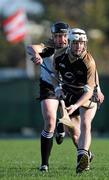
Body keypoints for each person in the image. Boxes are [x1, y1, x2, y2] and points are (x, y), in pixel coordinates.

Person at [53, 28, 104, 173]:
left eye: (81, 43)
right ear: (69, 43)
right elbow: (54, 74)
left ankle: (82, 157)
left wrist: (75, 106)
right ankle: (86, 153)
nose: (79, 46)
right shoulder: (59, 55)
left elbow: (88, 92)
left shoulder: (89, 61)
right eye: (75, 43)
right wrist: (57, 88)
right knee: (74, 134)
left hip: (86, 94)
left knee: (85, 124)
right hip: (69, 92)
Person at [26, 22, 69, 172]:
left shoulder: (75, 49)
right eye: (57, 36)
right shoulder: (49, 48)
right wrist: (37, 55)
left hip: (68, 88)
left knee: (74, 133)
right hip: (48, 87)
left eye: (63, 35)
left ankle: (82, 152)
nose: (61, 39)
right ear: (53, 37)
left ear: (68, 35)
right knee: (50, 121)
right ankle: (44, 164)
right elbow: (30, 47)